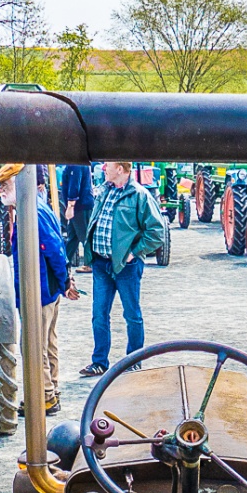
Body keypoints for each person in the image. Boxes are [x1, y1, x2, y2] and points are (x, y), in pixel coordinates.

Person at [79, 161, 165, 377]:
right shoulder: (104, 191)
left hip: (126, 267)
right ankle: (99, 362)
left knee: (132, 315)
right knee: (99, 314)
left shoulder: (140, 195)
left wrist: (134, 253)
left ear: (120, 169)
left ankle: (134, 361)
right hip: (100, 263)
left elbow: (156, 232)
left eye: (108, 164)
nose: (103, 167)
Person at [0, 164, 71, 415]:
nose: (0, 191)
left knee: (33, 346)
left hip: (39, 292)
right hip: (47, 290)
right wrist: (64, 283)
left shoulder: (33, 213)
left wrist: (64, 281)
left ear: (21, 185)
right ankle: (51, 390)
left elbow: (54, 250)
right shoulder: (36, 207)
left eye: (4, 186)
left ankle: (45, 397)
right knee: (48, 343)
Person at [60, 162, 94, 268]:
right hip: (81, 205)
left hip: (79, 207)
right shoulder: (79, 163)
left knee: (84, 236)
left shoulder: (75, 164)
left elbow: (74, 185)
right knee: (73, 236)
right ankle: (65, 261)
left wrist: (70, 206)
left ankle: (90, 264)